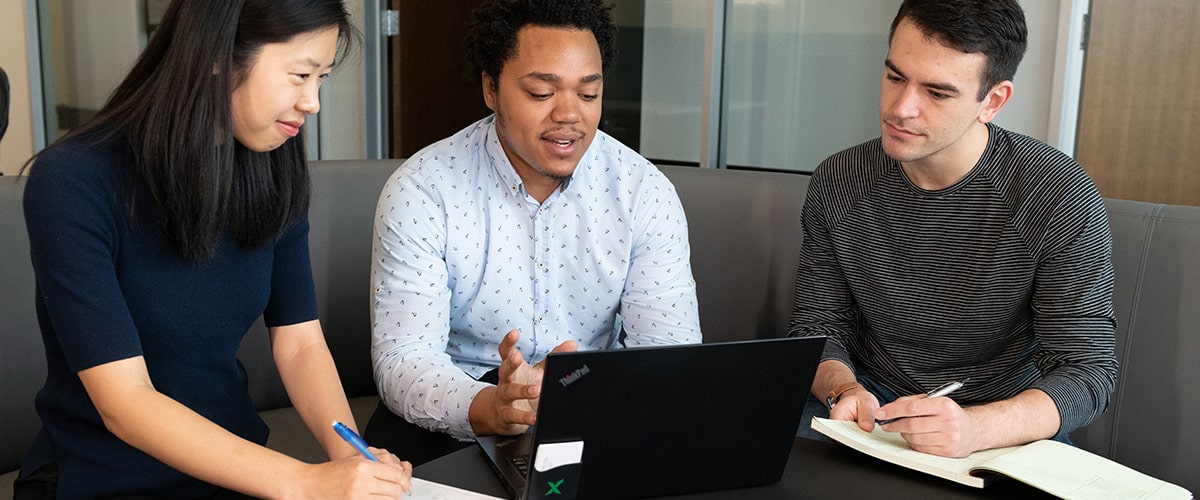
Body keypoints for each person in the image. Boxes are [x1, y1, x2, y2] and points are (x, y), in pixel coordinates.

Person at [16, 1, 412, 498]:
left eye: (323, 78)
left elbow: (300, 342)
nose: (312, 102)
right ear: (219, 54)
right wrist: (303, 481)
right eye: (299, 74)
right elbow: (125, 402)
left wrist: (354, 458)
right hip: (102, 476)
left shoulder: (274, 165)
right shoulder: (74, 180)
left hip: (235, 467)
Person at [366, 0, 702, 466]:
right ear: (490, 87)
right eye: (542, 93)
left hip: (591, 409)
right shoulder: (425, 189)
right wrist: (493, 407)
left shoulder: (643, 193)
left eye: (588, 95)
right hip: (453, 412)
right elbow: (403, 359)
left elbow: (669, 358)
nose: (569, 115)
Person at [789, 0, 1117, 459]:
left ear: (993, 101)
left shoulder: (1055, 193)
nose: (901, 109)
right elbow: (818, 327)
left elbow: (1087, 370)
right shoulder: (840, 181)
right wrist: (842, 390)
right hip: (867, 405)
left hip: (999, 420)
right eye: (895, 76)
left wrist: (975, 429)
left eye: (938, 93)